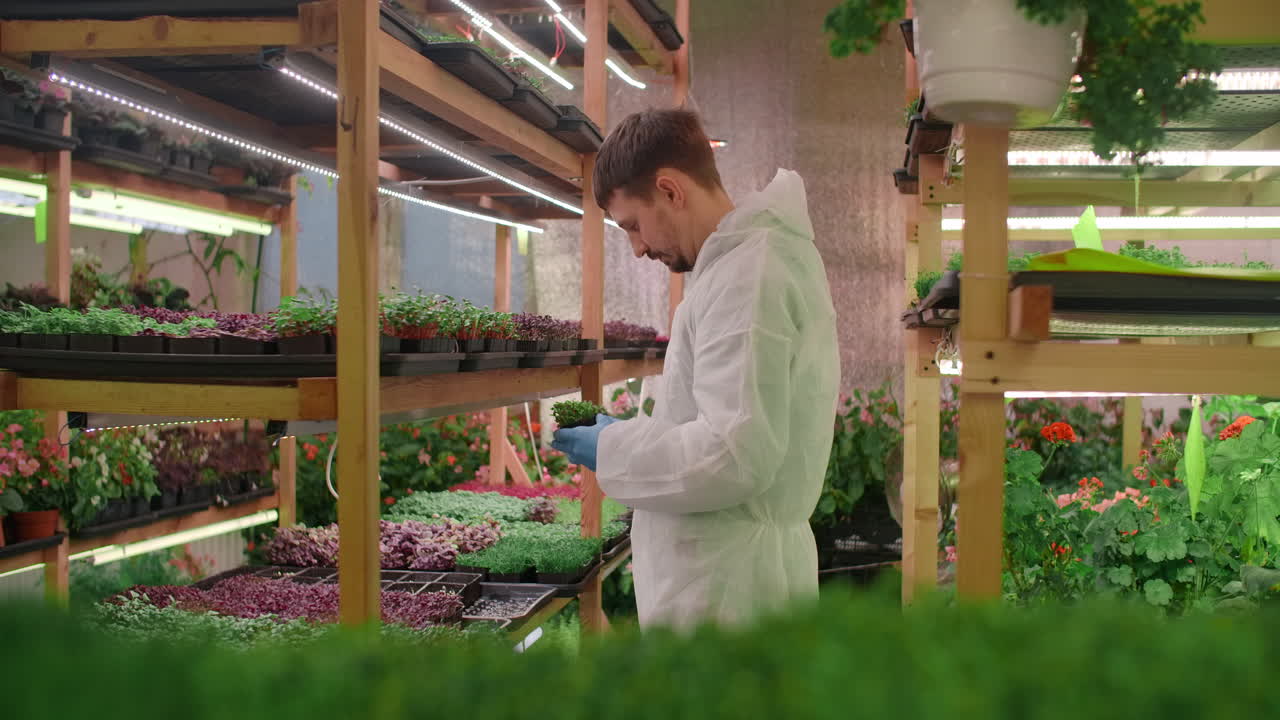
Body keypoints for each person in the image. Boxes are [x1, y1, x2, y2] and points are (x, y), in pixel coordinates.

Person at [551, 109, 840, 631]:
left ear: (670, 190)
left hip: (730, 594)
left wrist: (613, 448)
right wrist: (630, 438)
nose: (637, 248)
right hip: (730, 578)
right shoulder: (741, 264)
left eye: (633, 225)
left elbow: (734, 455)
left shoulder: (749, 276)